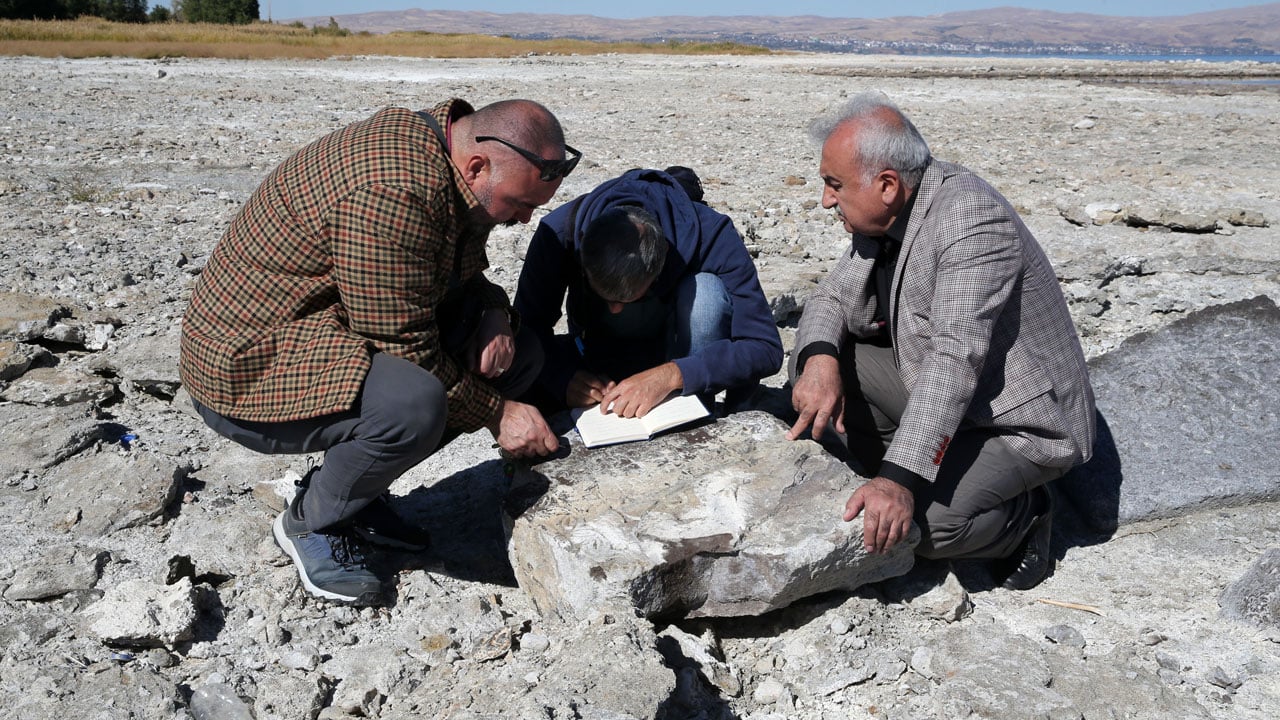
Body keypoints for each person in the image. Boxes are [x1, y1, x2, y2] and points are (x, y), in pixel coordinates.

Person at [179, 98, 579, 606]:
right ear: (478, 166)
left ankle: (353, 495)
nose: (523, 220)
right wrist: (497, 413)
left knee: (515, 355)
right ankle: (311, 523)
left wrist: (494, 311)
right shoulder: (392, 192)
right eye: (518, 204)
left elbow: (449, 278)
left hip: (324, 329)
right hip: (248, 366)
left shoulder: (448, 157)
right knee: (413, 404)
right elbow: (406, 347)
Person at [787, 92, 1096, 590]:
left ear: (887, 184)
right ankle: (921, 460)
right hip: (939, 387)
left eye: (834, 185)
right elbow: (831, 297)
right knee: (813, 368)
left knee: (925, 529)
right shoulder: (886, 213)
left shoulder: (968, 220)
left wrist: (899, 481)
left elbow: (955, 358)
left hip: (1015, 419)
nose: (825, 200)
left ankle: (1026, 514)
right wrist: (820, 360)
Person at [513, 167, 783, 419]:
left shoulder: (711, 233)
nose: (615, 310)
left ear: (662, 259)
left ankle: (695, 409)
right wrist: (562, 377)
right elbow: (524, 331)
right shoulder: (559, 233)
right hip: (597, 361)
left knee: (706, 296)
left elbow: (765, 347)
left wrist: (675, 374)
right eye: (606, 297)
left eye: (628, 299)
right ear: (582, 251)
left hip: (677, 358)